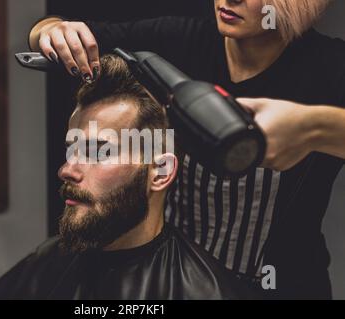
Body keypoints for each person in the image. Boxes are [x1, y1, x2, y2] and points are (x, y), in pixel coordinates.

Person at [28, 0, 345, 299]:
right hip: (173, 281)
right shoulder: (176, 42)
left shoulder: (329, 69)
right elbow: (49, 30)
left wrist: (314, 127)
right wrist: (52, 31)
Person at [0, 55, 252, 300]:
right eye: (72, 150)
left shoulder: (206, 291)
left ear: (160, 172)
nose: (66, 170)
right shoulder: (48, 261)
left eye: (98, 152)